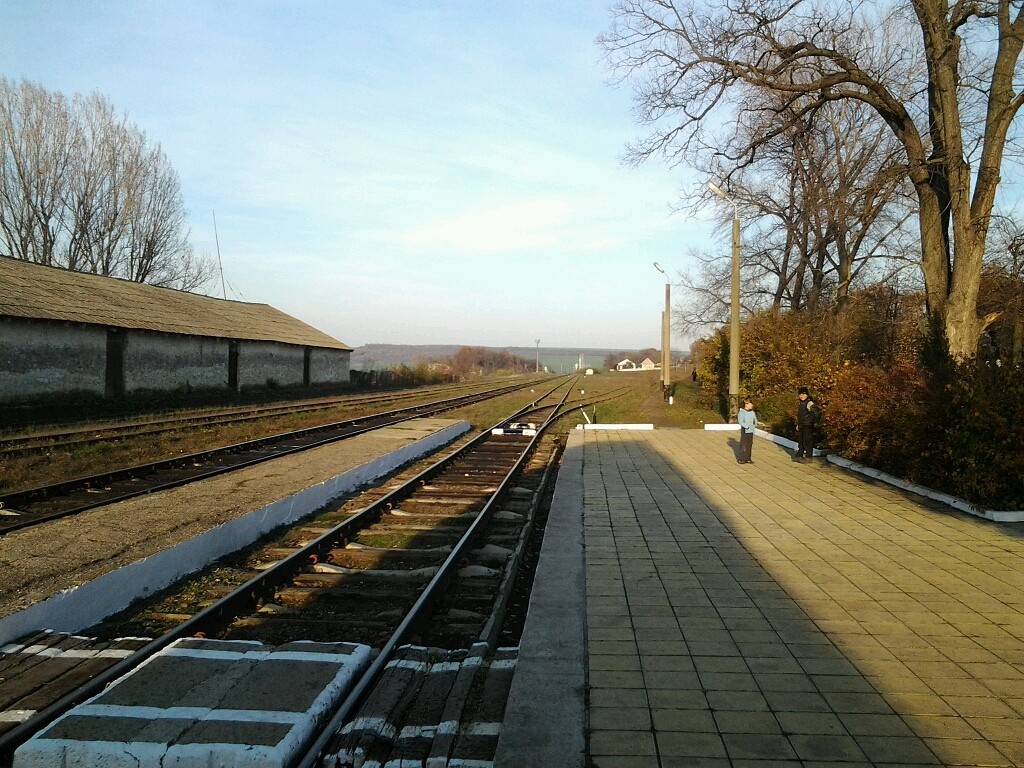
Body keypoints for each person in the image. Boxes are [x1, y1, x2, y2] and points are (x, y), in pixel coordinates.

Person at [794, 386, 821, 461]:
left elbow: (817, 412)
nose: (802, 396)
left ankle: (808, 456)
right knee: (800, 441)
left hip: (808, 425)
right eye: (800, 394)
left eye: (804, 394)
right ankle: (800, 455)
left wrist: (815, 422)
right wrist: (798, 424)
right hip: (801, 424)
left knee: (807, 441)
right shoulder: (800, 403)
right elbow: (800, 415)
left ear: (807, 395)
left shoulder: (809, 403)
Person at [737, 397, 757, 464]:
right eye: (751, 404)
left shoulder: (752, 412)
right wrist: (746, 426)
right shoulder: (742, 412)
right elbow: (741, 421)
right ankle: (742, 458)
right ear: (747, 404)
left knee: (749, 444)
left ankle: (748, 458)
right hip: (745, 430)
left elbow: (755, 419)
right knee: (744, 444)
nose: (752, 405)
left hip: (751, 430)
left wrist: (754, 425)